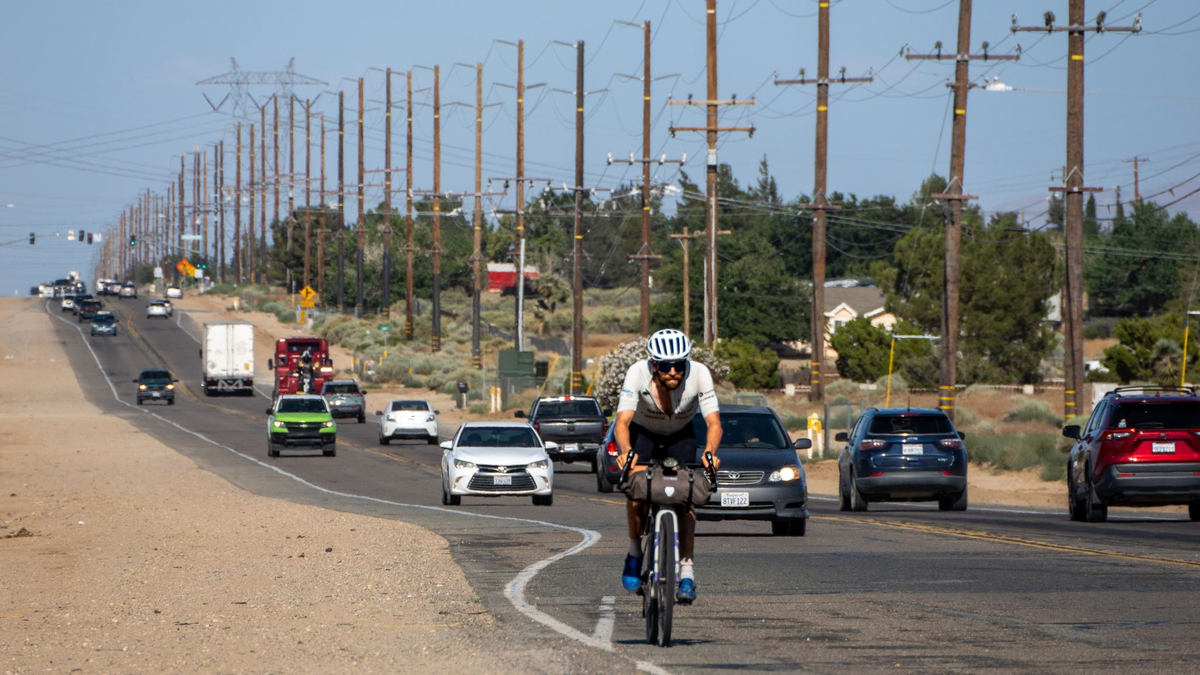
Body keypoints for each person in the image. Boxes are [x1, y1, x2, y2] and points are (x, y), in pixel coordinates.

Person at [614, 328, 721, 604]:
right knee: (636, 487)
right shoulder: (637, 373)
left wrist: (710, 452)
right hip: (644, 433)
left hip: (681, 434)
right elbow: (622, 422)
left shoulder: (699, 374)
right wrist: (626, 453)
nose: (673, 371)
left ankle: (687, 573)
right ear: (653, 364)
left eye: (679, 365)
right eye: (665, 365)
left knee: (685, 499)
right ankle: (635, 554)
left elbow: (713, 423)